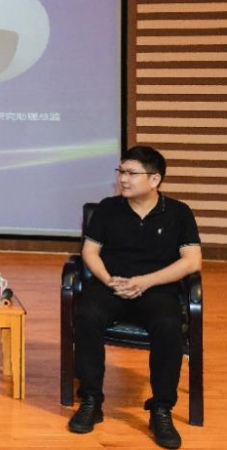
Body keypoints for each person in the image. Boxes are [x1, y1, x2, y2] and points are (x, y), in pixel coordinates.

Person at [68, 146, 201, 449]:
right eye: (120, 172)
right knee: (87, 316)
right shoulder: (108, 208)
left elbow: (192, 261)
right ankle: (91, 401)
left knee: (169, 326)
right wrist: (109, 280)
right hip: (111, 286)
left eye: (131, 173)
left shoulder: (178, 213)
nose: (123, 179)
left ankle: (161, 409)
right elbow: (90, 251)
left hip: (156, 289)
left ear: (154, 179)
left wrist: (145, 282)